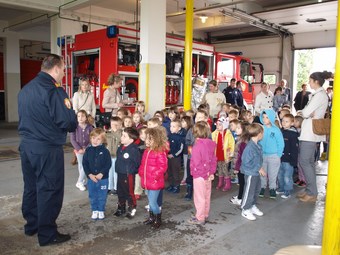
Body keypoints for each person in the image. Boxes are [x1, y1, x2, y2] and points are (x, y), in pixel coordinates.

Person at [18, 54, 77, 246]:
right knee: (49, 189)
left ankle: (32, 225)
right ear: (57, 69)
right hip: (46, 148)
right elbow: (68, 121)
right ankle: (48, 234)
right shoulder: (54, 91)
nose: (63, 74)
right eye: (63, 70)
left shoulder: (26, 89)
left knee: (32, 187)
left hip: (27, 147)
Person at [297, 71, 332, 202]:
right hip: (309, 132)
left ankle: (312, 193)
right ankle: (310, 190)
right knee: (308, 163)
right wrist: (307, 113)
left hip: (310, 134)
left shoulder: (319, 95)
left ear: (316, 81)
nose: (309, 83)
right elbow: (307, 112)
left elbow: (305, 112)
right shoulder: (317, 94)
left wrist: (304, 112)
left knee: (305, 162)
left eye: (310, 81)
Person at [138, 128, 168, 229]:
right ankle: (151, 218)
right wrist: (141, 172)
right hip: (147, 180)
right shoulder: (147, 151)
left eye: (149, 139)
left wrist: (154, 176)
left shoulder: (159, 152)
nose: (146, 141)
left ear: (156, 139)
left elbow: (162, 167)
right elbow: (143, 164)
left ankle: (158, 218)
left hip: (155, 181)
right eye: (146, 138)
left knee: (152, 202)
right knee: (149, 200)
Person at [188, 121, 217, 225]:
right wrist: (211, 172)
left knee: (199, 197)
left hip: (199, 176)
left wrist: (202, 174)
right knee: (206, 196)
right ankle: (204, 214)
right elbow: (214, 159)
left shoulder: (197, 147)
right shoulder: (211, 145)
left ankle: (199, 217)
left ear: (195, 133)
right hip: (208, 175)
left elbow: (197, 163)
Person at [83, 128, 112, 220]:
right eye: (93, 138)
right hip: (91, 178)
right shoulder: (88, 151)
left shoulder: (105, 151)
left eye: (98, 139)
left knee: (102, 195)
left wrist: (102, 173)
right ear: (90, 138)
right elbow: (85, 164)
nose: (95, 140)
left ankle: (101, 210)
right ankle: (94, 210)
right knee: (92, 195)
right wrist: (90, 175)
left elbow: (108, 164)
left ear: (103, 140)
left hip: (103, 178)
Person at [240, 123, 266, 221]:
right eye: (262, 133)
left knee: (256, 190)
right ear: (258, 134)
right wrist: (258, 168)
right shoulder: (250, 147)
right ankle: (245, 209)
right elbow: (246, 161)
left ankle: (252, 205)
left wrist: (259, 167)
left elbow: (257, 160)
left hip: (255, 172)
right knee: (249, 191)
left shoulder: (257, 145)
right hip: (250, 173)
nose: (263, 135)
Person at [114, 127, 141, 218]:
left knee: (129, 192)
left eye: (124, 136)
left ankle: (132, 208)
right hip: (120, 172)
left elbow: (137, 162)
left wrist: (131, 170)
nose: (121, 137)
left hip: (128, 174)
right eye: (122, 135)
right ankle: (121, 207)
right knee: (120, 191)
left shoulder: (134, 150)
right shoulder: (121, 147)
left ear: (131, 139)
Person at [259, 109, 284, 199]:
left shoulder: (276, 130)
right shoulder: (261, 128)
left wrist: (279, 155)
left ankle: (272, 188)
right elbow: (257, 141)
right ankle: (262, 187)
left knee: (273, 173)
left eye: (267, 117)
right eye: (263, 117)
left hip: (274, 156)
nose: (265, 119)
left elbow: (280, 143)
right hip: (262, 155)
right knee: (262, 173)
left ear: (271, 118)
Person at [70, 110, 94, 191]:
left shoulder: (90, 127)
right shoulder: (74, 127)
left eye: (83, 116)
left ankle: (79, 181)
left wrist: (87, 148)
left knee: (85, 165)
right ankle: (82, 181)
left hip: (88, 150)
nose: (80, 118)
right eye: (78, 116)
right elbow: (72, 140)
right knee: (81, 165)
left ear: (86, 117)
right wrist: (78, 149)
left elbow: (92, 138)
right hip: (78, 150)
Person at [276, 114, 299, 199]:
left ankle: (287, 191)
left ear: (292, 123)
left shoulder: (293, 134)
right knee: (280, 174)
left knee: (287, 176)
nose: (284, 123)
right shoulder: (281, 132)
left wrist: (294, 160)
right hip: (280, 158)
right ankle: (281, 188)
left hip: (289, 159)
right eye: (282, 121)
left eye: (286, 122)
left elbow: (295, 149)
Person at [211, 116, 235, 191]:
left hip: (225, 155)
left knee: (225, 169)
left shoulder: (228, 134)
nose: (217, 126)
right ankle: (220, 182)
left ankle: (228, 183)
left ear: (224, 125)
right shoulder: (215, 134)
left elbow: (232, 144)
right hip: (217, 154)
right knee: (220, 169)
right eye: (217, 124)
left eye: (220, 124)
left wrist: (230, 154)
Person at [230, 121, 250, 205]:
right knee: (242, 183)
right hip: (243, 166)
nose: (236, 130)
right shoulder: (242, 139)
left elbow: (241, 156)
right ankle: (240, 196)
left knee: (242, 183)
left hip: (242, 166)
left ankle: (240, 198)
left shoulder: (243, 142)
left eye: (238, 128)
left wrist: (237, 167)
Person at [166, 119, 184, 194]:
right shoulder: (169, 136)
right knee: (169, 171)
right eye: (171, 126)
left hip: (176, 158)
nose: (171, 128)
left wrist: (173, 155)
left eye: (174, 126)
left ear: (179, 128)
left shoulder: (180, 137)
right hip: (168, 157)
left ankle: (177, 186)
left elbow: (180, 149)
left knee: (175, 172)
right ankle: (171, 185)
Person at [106, 116, 123, 195]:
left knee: (116, 172)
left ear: (120, 125)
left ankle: (117, 188)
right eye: (113, 124)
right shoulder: (108, 133)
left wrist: (116, 132)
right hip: (109, 155)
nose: (114, 127)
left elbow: (121, 140)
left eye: (116, 125)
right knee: (109, 172)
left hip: (117, 156)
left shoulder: (122, 133)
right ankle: (110, 187)